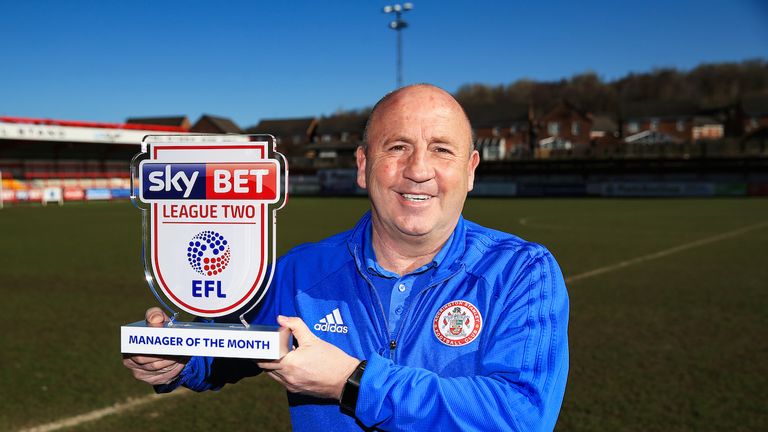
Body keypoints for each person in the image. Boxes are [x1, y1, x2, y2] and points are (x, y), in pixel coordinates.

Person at [123, 84, 569, 431]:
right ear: (362, 165)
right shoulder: (299, 273)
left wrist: (352, 382)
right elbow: (227, 346)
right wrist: (175, 358)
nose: (418, 169)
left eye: (441, 149)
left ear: (470, 170)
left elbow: (520, 416)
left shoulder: (522, 272)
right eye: (397, 147)